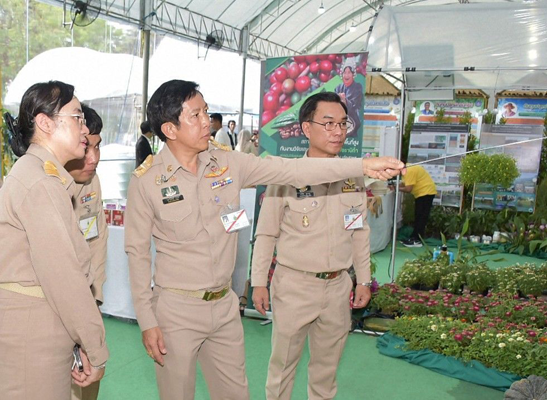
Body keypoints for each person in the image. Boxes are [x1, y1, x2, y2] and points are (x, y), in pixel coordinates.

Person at [124, 79, 403, 400]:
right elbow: (137, 254)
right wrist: (147, 320)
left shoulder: (229, 163)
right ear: (170, 129)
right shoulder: (147, 182)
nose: (207, 122)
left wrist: (364, 165)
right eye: (196, 115)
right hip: (176, 309)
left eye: (206, 112)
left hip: (224, 307)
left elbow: (292, 171)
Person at [251, 92, 372, 400]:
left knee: (326, 371)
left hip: (337, 287)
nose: (337, 131)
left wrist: (364, 279)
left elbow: (359, 231)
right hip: (295, 285)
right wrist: (258, 282)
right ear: (306, 128)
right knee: (282, 367)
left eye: (343, 124)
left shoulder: (352, 176)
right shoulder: (285, 176)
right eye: (328, 123)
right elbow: (266, 233)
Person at [0, 81, 108, 399]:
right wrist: (96, 348)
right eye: (77, 117)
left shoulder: (41, 175)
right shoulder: (41, 183)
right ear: (45, 123)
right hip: (36, 332)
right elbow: (65, 277)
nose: (85, 129)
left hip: (41, 323)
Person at [66, 104, 108, 400]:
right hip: (54, 312)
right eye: (85, 147)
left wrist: (94, 301)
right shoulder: (45, 184)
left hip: (87, 304)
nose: (93, 158)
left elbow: (97, 242)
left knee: (88, 386)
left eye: (97, 146)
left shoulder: (92, 179)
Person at [398, 165, 437, 247]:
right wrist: (397, 186)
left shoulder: (409, 171)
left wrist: (396, 188)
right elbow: (405, 183)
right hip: (423, 193)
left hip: (426, 192)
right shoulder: (407, 169)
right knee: (418, 216)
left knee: (421, 217)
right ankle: (414, 237)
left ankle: (417, 240)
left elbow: (408, 189)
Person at [334, 59, 363, 137]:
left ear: (353, 74)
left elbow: (354, 104)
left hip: (352, 123)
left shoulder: (358, 87)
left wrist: (344, 100)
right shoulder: (338, 88)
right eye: (345, 72)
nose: (346, 75)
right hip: (338, 124)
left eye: (349, 72)